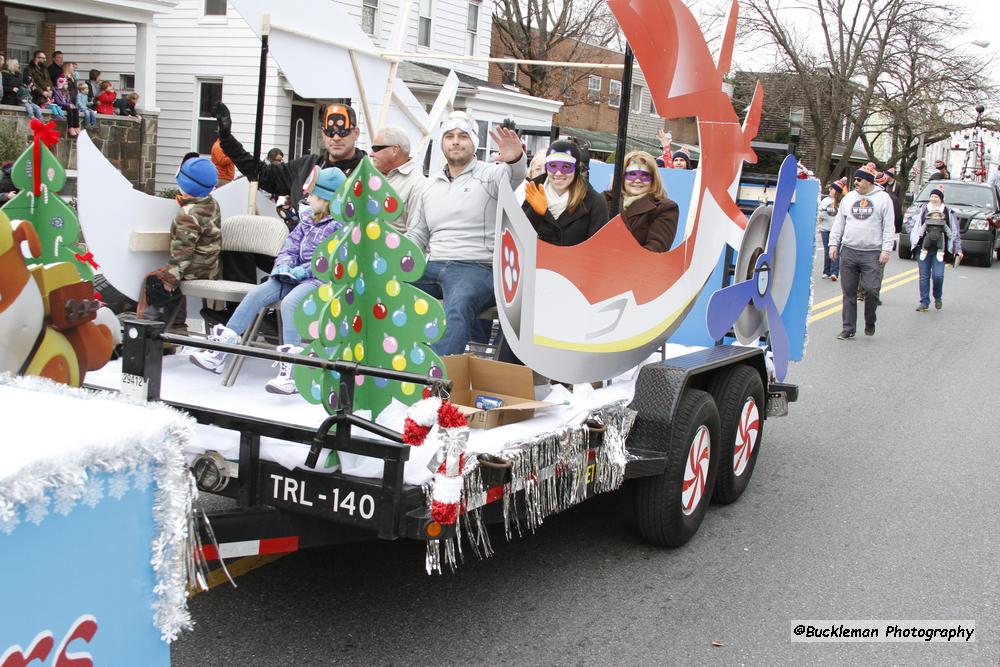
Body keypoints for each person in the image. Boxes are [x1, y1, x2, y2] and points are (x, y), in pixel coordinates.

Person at [190, 167, 347, 394]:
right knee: (256, 294)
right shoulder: (307, 221)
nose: (308, 199)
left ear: (326, 199)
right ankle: (220, 352)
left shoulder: (339, 228)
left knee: (290, 303)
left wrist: (303, 271)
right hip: (291, 276)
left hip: (318, 281)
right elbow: (291, 246)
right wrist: (284, 264)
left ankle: (293, 372)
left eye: (312, 195)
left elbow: (327, 259)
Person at [406, 110, 526, 356]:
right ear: (442, 143)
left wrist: (515, 158)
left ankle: (435, 380)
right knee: (386, 288)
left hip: (477, 267)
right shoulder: (430, 185)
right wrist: (396, 264)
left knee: (458, 305)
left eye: (463, 136)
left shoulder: (490, 175)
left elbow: (514, 174)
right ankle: (393, 363)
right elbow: (416, 235)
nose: (456, 141)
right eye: (449, 136)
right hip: (434, 265)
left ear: (474, 143)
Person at [828, 163, 895, 339]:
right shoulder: (849, 198)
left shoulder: (883, 199)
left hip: (872, 252)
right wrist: (833, 244)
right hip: (849, 250)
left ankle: (870, 320)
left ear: (869, 181)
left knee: (871, 290)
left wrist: (886, 250)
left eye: (859, 179)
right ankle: (848, 328)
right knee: (848, 292)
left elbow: (889, 227)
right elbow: (839, 223)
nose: (855, 182)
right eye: (855, 179)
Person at [523, 139, 608, 246]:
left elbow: (598, 248)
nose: (558, 173)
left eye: (566, 167)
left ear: (576, 169)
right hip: (537, 261)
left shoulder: (594, 202)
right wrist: (536, 213)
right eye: (553, 166)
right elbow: (519, 235)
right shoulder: (534, 191)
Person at [162, 155, 222, 290]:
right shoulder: (212, 204)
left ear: (185, 184)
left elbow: (182, 252)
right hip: (211, 269)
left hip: (193, 273)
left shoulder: (187, 215)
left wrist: (169, 282)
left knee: (152, 280)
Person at [603, 150, 679, 252]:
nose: (638, 180)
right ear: (622, 176)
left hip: (634, 265)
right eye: (632, 174)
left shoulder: (665, 208)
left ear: (653, 179)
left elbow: (656, 248)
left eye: (644, 175)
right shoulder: (604, 200)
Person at [911, 188, 962, 312]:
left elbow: (955, 232)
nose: (933, 199)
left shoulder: (948, 212)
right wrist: (913, 239)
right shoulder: (922, 210)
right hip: (923, 249)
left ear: (941, 199)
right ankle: (924, 302)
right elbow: (912, 223)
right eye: (932, 196)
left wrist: (958, 249)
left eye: (936, 197)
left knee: (938, 276)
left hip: (940, 249)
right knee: (924, 276)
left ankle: (937, 297)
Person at [369, 125, 427, 233]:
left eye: (376, 149)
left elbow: (416, 235)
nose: (371, 154)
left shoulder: (418, 184)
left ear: (395, 150)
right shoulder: (370, 176)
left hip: (395, 249)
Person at [818, 178, 846, 280]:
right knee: (827, 251)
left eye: (834, 190)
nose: (832, 191)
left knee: (835, 250)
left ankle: (835, 272)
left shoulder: (841, 202)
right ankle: (826, 271)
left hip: (836, 230)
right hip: (825, 228)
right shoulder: (825, 201)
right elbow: (819, 214)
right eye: (832, 189)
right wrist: (821, 216)